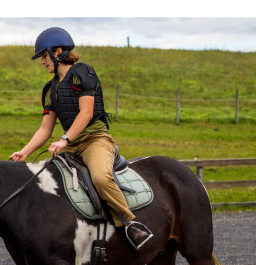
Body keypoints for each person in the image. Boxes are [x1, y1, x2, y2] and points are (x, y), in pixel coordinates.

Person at [9, 27, 153, 250]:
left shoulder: (82, 73)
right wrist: (25, 152)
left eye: (44, 56)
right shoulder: (50, 89)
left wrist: (64, 139)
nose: (42, 62)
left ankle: (131, 224)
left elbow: (86, 113)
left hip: (95, 139)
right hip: (70, 144)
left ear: (57, 52)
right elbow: (45, 129)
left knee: (101, 177)